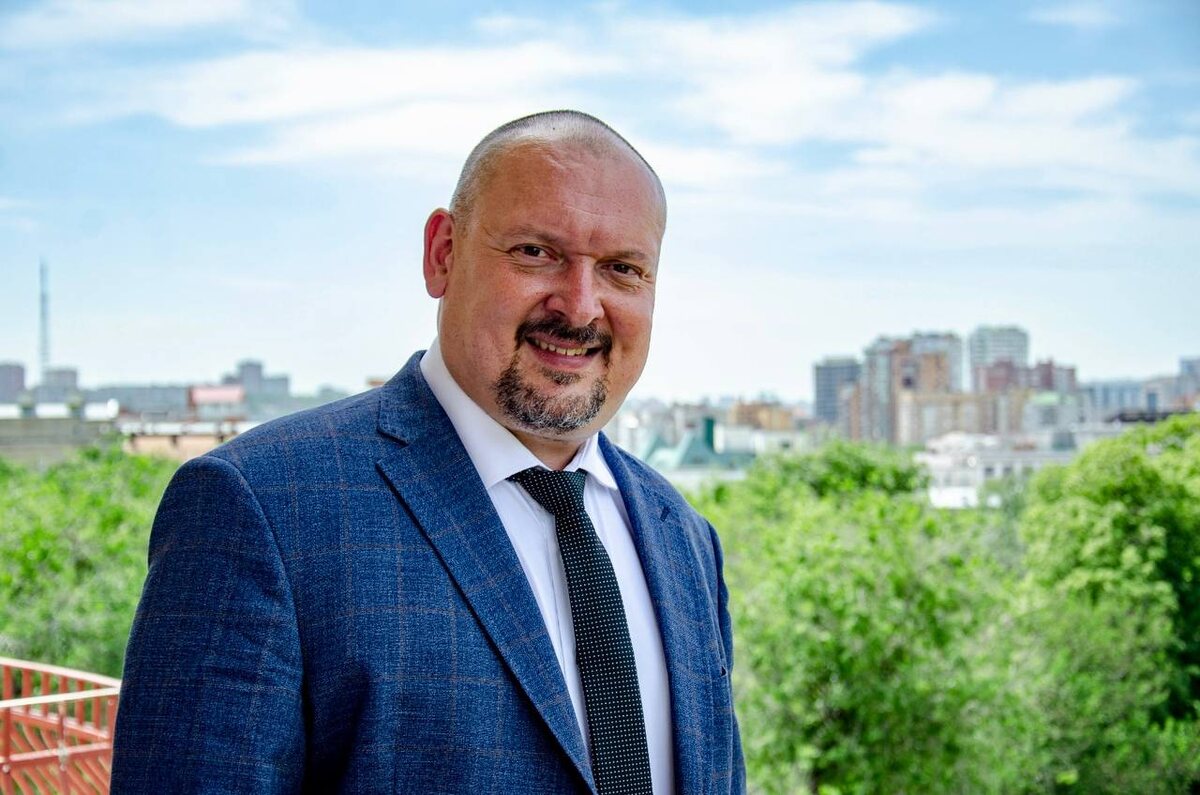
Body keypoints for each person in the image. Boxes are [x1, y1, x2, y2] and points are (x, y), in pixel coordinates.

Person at [111, 110, 744, 794]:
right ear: (443, 253)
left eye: (622, 268)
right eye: (536, 252)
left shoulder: (684, 540)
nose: (581, 306)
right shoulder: (260, 509)